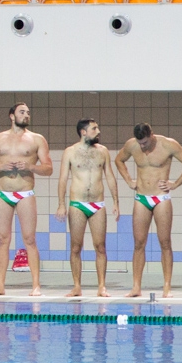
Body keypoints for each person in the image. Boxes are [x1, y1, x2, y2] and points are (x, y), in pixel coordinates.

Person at [115, 123, 182, 299]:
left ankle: (167, 287)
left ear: (151, 135)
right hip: (141, 198)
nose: (142, 147)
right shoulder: (132, 145)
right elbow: (118, 160)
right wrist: (129, 180)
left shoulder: (168, 144)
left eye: (145, 142)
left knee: (165, 242)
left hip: (161, 199)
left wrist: (175, 183)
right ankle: (136, 286)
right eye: (140, 143)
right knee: (138, 243)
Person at [0, 102, 54, 297]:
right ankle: (0, 286)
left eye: (28, 113)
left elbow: (48, 169)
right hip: (2, 193)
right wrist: (2, 166)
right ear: (12, 116)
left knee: (30, 239)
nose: (26, 115)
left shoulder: (37, 139)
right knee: (2, 239)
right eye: (22, 112)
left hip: (25, 192)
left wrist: (30, 167)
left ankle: (36, 286)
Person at [55, 118, 118, 299]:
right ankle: (76, 286)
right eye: (94, 128)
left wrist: (116, 202)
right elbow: (62, 179)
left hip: (98, 204)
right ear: (83, 132)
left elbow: (110, 177)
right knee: (76, 247)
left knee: (100, 246)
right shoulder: (70, 152)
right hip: (77, 203)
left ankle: (102, 287)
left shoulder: (103, 151)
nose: (98, 131)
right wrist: (61, 204)